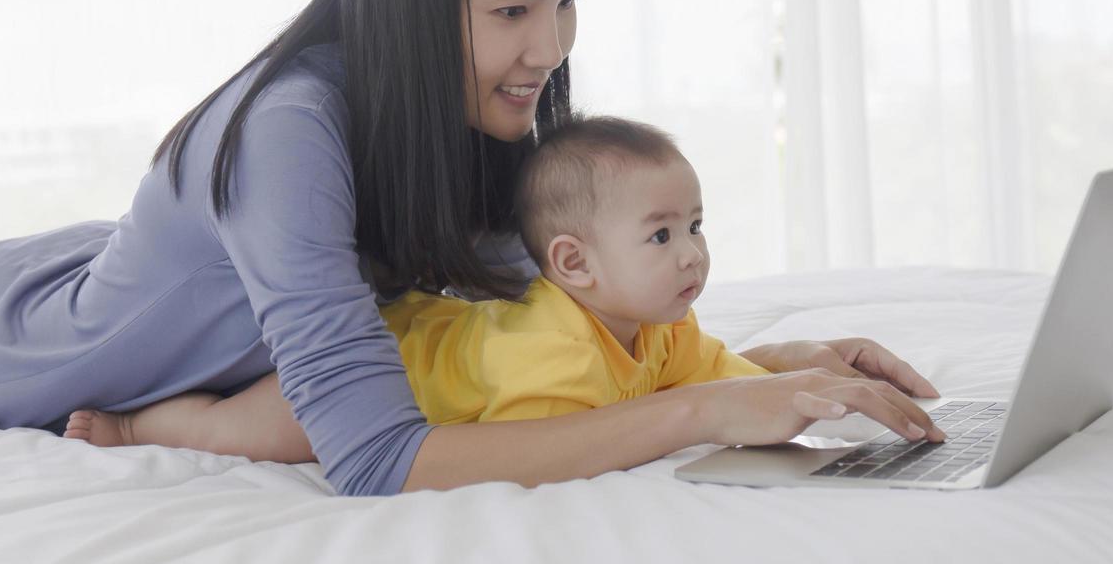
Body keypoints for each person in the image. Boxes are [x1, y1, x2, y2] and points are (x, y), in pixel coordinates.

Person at [0, 0, 944, 497]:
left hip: (121, 270)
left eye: (566, 4)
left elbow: (534, 354)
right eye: (513, 8)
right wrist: (707, 412)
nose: (548, 51)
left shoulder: (458, 118)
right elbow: (378, 456)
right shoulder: (288, 132)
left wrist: (784, 372)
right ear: (412, 2)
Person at [63, 116, 795, 459]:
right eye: (662, 236)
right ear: (575, 265)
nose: (692, 255)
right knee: (257, 434)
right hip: (381, 366)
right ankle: (137, 425)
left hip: (428, 329)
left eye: (695, 226)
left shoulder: (663, 325)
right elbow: (548, 451)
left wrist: (808, 379)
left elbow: (723, 379)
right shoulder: (558, 360)